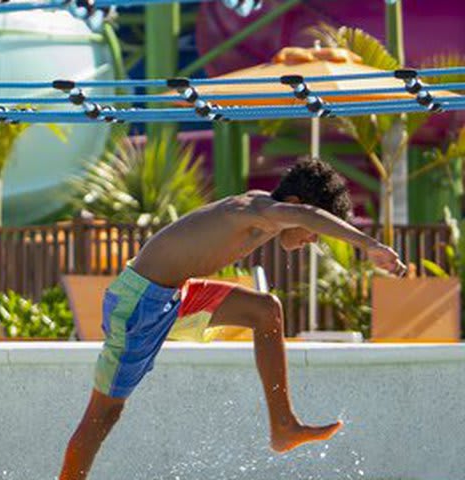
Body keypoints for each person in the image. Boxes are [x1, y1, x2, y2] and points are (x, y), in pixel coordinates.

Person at [58, 159, 406, 480]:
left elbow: (306, 216)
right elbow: (308, 216)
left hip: (175, 296)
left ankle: (283, 426)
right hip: (138, 304)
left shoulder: (265, 213)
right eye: (314, 231)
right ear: (297, 205)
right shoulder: (255, 209)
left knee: (265, 311)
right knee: (104, 415)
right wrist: (367, 244)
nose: (312, 239)